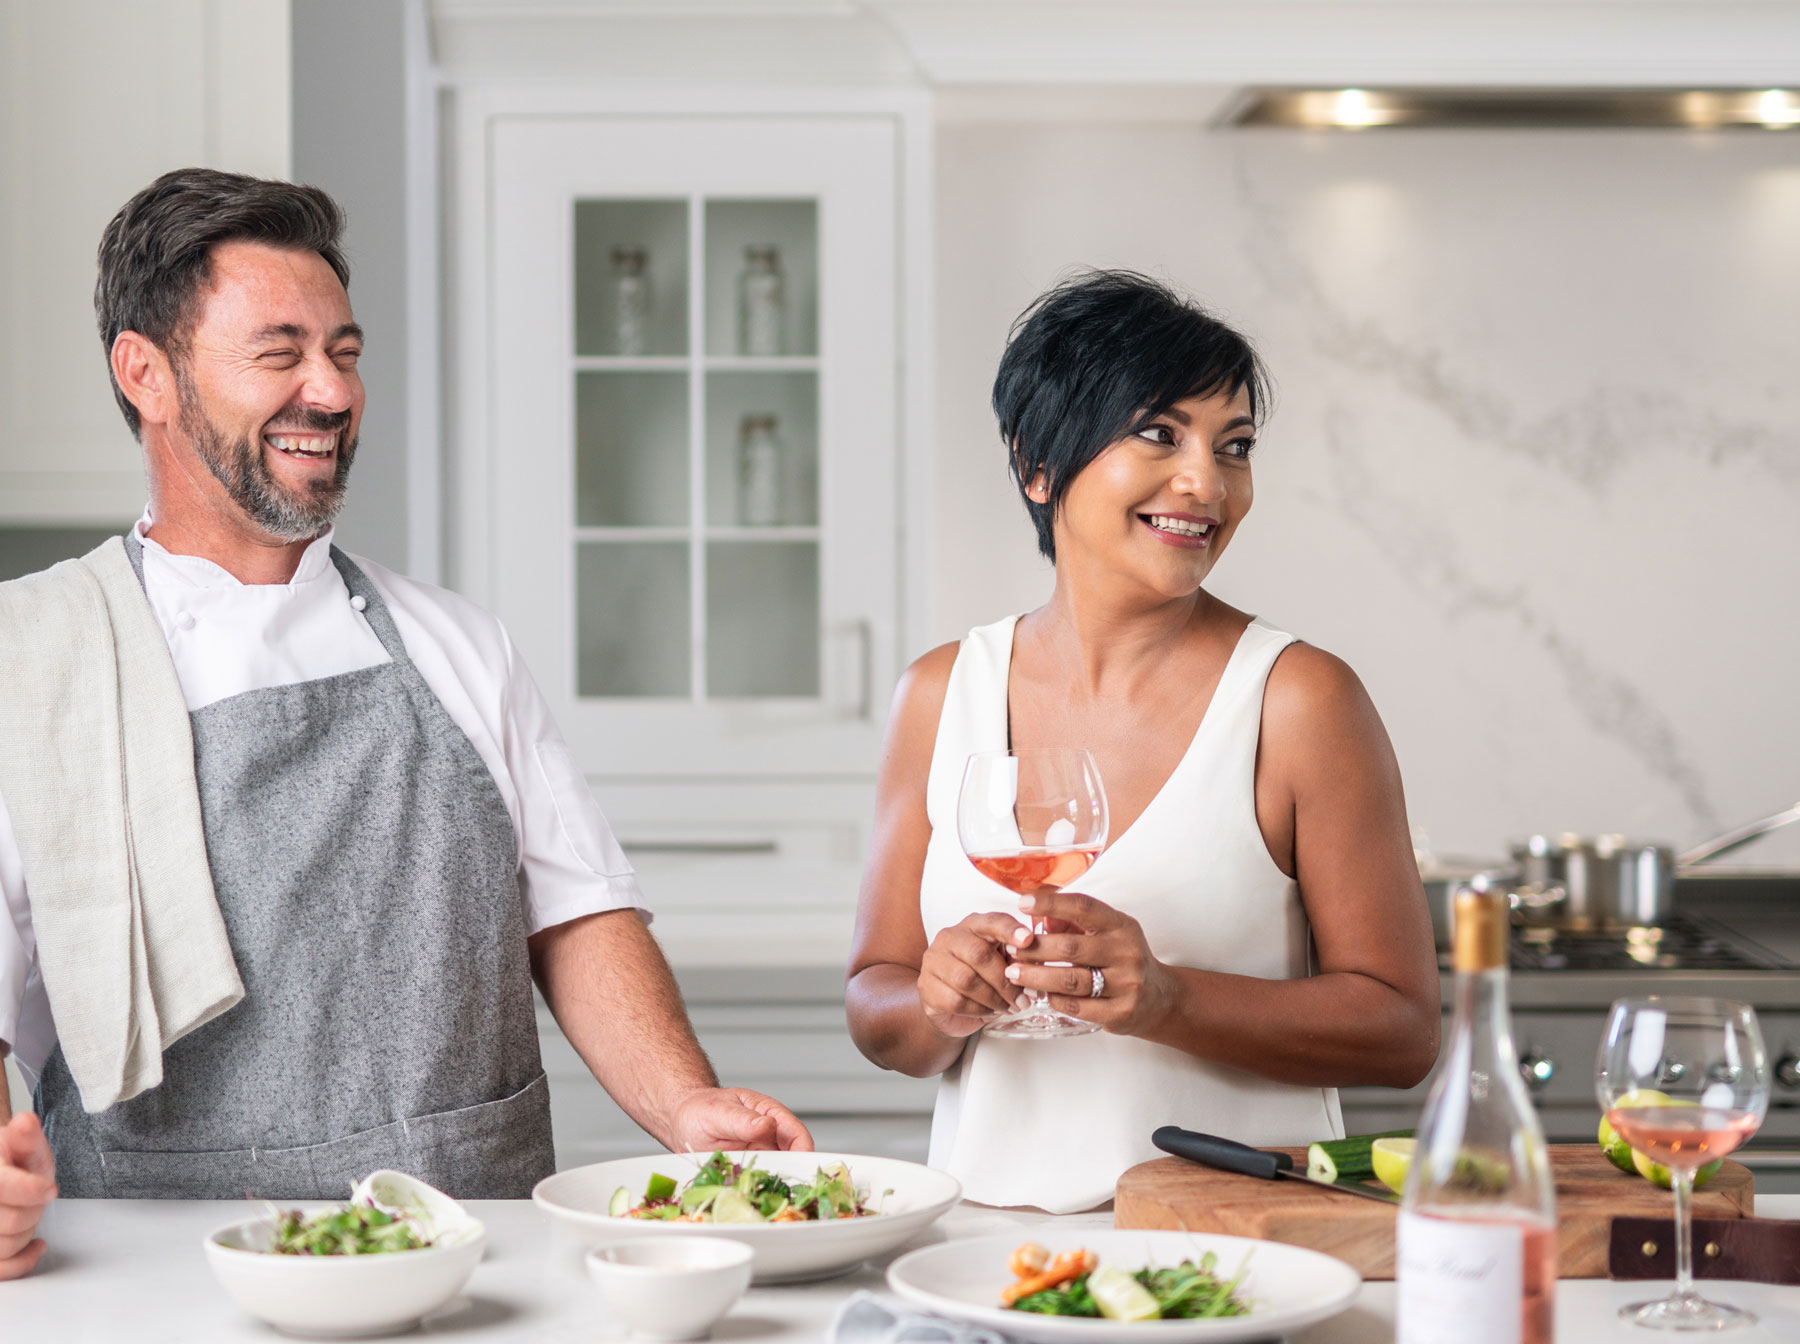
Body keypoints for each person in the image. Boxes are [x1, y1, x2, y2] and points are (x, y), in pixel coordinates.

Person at [0, 168, 811, 1277]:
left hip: (470, 1259)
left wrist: (685, 1104)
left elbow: (576, 915)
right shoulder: (34, 661)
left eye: (344, 352)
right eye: (280, 353)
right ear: (146, 373)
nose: (330, 394)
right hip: (156, 1275)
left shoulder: (458, 645)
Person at [847, 271, 1439, 1213]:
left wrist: (1169, 999)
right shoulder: (937, 694)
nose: (1207, 483)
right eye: (1159, 434)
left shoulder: (1298, 700)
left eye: (1234, 446)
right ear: (1038, 463)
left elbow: (1405, 1034)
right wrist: (937, 1001)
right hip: (989, 1257)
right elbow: (876, 1006)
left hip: (1250, 1256)